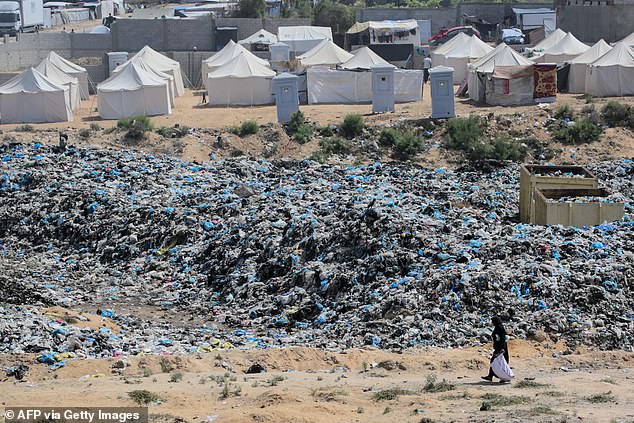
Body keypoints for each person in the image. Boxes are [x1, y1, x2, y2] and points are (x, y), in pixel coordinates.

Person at [481, 316, 509, 381]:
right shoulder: (497, 327)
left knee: (501, 362)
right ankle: (490, 376)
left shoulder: (500, 328)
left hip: (501, 348)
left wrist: (502, 348)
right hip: (498, 348)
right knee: (494, 361)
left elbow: (503, 338)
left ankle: (503, 377)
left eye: (493, 321)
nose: (492, 323)